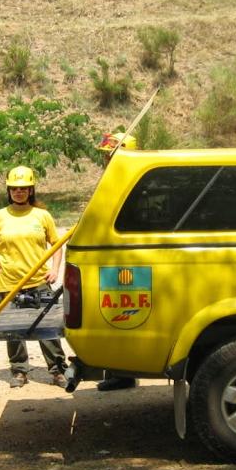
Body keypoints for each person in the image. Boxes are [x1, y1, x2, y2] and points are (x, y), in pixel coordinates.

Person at [0, 165, 69, 389]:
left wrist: (54, 269)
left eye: (24, 188)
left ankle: (58, 370)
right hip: (8, 285)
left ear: (31, 190)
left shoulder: (42, 216)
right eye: (15, 188)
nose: (19, 192)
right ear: (9, 190)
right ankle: (19, 371)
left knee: (48, 329)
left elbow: (56, 244)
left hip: (38, 284)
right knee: (12, 331)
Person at [93, 135, 140, 392]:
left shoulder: (127, 183)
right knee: (116, 317)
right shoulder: (119, 181)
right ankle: (119, 372)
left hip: (125, 260)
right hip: (116, 259)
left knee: (122, 318)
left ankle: (123, 373)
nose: (105, 158)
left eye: (109, 154)